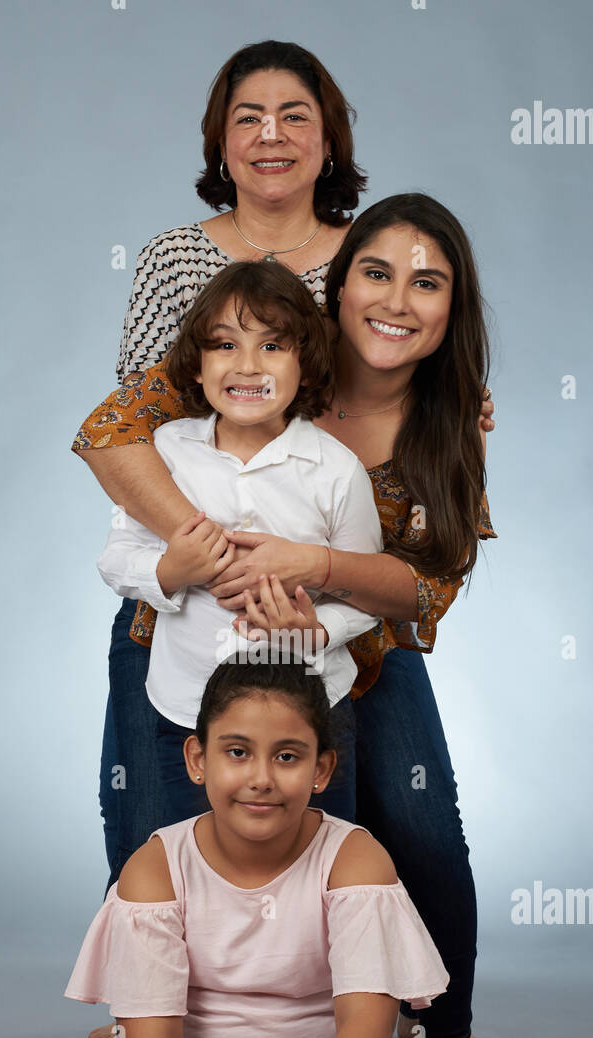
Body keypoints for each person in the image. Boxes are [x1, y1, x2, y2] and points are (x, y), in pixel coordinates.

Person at [75, 189, 531, 1038]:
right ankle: (164, 1026)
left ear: (452, 310)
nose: (396, 300)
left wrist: (313, 588)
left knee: (409, 827)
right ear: (336, 289)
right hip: (193, 634)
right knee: (159, 823)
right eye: (374, 273)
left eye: (426, 283)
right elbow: (108, 436)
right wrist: (203, 558)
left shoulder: (448, 420)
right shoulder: (270, 352)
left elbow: (430, 586)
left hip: (349, 647)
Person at [5, 658, 449, 1038]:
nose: (260, 778)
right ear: (197, 759)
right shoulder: (157, 866)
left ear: (322, 770)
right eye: (236, 752)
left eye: (288, 757)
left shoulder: (353, 861)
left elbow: (363, 1029)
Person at [96, 257, 383, 824]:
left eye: (273, 346)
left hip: (311, 710)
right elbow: (116, 559)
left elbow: (367, 596)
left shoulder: (336, 470)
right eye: (225, 345)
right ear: (197, 366)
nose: (248, 366)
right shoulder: (168, 454)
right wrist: (172, 570)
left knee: (313, 868)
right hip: (187, 705)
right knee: (187, 862)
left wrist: (319, 630)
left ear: (307, 364)